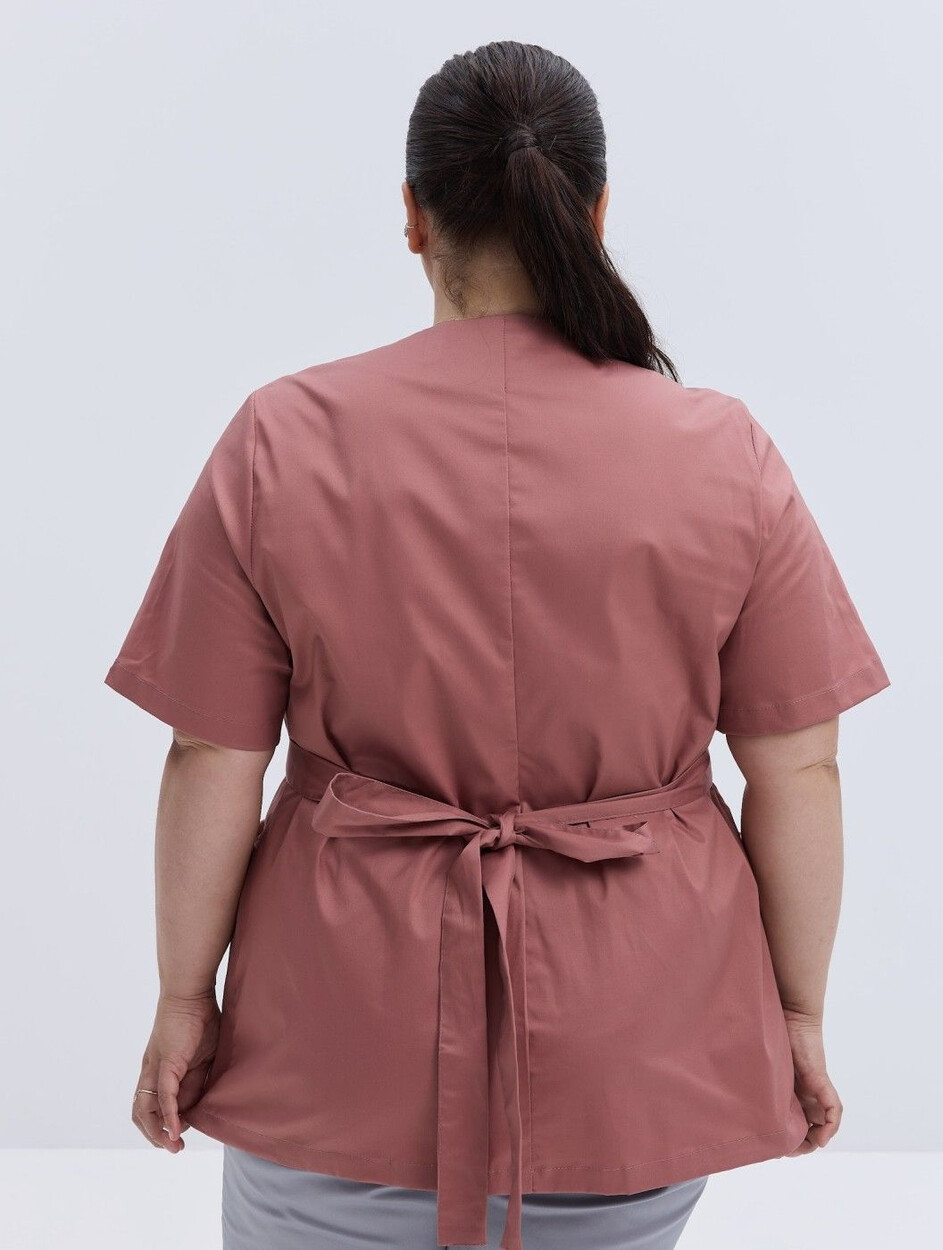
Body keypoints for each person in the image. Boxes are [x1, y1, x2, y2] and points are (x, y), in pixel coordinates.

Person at [106, 39, 891, 1250]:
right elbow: (801, 765)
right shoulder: (721, 450)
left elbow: (212, 753)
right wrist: (791, 1013)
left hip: (334, 1040)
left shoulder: (283, 436)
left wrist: (180, 996)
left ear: (413, 216)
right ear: (596, 212)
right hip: (634, 1050)